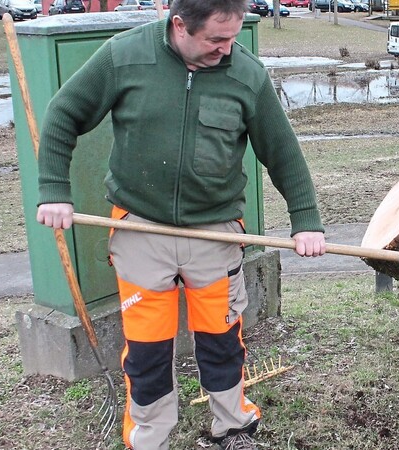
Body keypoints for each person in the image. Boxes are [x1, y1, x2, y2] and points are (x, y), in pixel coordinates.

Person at [35, 0, 326, 448]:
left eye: (232, 37)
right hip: (140, 230)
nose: (227, 50)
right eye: (216, 39)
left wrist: (306, 221)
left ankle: (233, 427)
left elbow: (283, 151)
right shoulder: (124, 56)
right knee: (148, 349)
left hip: (215, 232)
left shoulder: (246, 74)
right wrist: (54, 190)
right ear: (179, 25)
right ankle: (149, 438)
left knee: (221, 339)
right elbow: (62, 114)